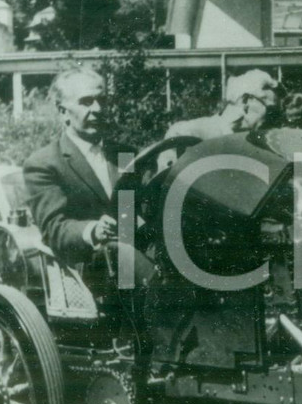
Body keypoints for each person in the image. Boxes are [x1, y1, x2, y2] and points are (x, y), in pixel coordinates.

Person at [23, 69, 154, 303]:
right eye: (86, 102)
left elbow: (142, 206)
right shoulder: (44, 164)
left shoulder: (126, 155)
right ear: (63, 111)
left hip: (138, 264)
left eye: (102, 101)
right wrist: (92, 230)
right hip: (89, 276)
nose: (98, 109)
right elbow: (55, 228)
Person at [165, 68, 278, 140]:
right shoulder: (186, 132)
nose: (270, 117)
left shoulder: (248, 144)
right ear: (245, 101)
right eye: (269, 108)